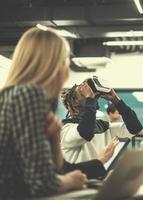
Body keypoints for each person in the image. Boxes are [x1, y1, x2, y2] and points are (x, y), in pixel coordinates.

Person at [0, 27, 86, 198]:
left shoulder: (11, 95)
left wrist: (54, 140)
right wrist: (72, 180)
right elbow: (43, 184)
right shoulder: (29, 95)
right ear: (54, 65)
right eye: (65, 62)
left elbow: (50, 172)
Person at [60, 82, 143, 163]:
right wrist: (90, 99)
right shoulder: (65, 129)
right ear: (75, 102)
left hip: (102, 176)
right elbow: (85, 133)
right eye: (83, 92)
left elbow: (135, 128)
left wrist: (115, 99)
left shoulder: (104, 126)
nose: (90, 93)